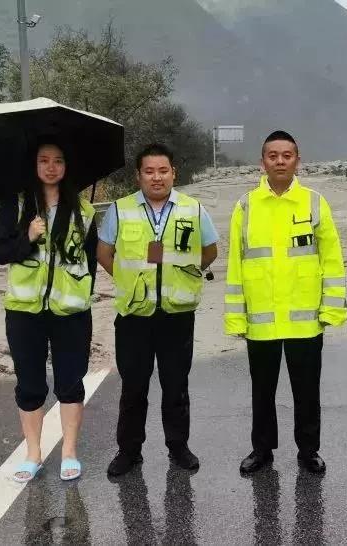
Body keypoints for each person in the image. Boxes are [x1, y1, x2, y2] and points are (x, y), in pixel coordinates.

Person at [224, 130, 347, 474]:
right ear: (262, 161)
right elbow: (236, 264)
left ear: (297, 160)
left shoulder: (313, 203)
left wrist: (331, 307)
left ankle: (309, 451)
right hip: (261, 322)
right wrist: (237, 318)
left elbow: (332, 259)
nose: (280, 161)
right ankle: (261, 450)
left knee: (307, 393)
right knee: (262, 393)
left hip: (304, 321)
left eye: (287, 155)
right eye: (273, 155)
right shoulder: (246, 206)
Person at [97, 143, 219, 476]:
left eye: (163, 171)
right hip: (134, 316)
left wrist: (185, 274)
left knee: (175, 385)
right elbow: (104, 253)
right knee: (133, 386)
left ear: (173, 173)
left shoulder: (193, 210)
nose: (156, 177)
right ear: (139, 175)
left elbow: (209, 251)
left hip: (177, 314)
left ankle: (178, 447)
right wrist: (128, 281)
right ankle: (129, 451)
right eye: (149, 171)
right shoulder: (120, 210)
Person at [0, 138, 98, 482]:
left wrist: (81, 295)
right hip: (25, 311)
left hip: (71, 313)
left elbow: (91, 261)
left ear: (67, 167)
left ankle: (69, 451)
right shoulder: (18, 204)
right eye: (44, 160)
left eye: (59, 160)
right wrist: (29, 237)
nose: (51, 167)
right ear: (34, 165)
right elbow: (0, 251)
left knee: (70, 381)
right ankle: (33, 453)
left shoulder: (84, 210)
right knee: (30, 383)